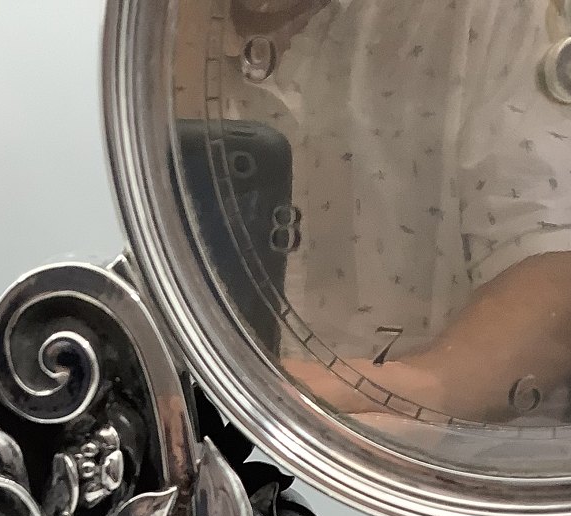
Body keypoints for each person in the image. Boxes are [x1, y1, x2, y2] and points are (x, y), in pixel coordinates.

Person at [181, 0, 571, 424]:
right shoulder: (143, 34)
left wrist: (417, 395)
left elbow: (552, 273)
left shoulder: (495, 12)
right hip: (198, 436)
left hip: (446, 452)